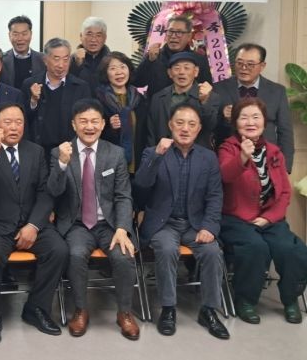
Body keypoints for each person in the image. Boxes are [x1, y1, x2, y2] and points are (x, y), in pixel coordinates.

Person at [0, 103, 68, 345]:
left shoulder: (35, 151)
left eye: (19, 122)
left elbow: (45, 192)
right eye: (7, 122)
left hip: (31, 223)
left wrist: (33, 225)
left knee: (59, 250)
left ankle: (36, 308)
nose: (14, 127)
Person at [134, 103, 229, 340]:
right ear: (170, 125)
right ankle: (168, 309)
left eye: (191, 124)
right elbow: (140, 188)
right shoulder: (152, 152)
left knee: (212, 251)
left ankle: (208, 310)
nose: (185, 128)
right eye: (180, 123)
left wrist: (209, 227)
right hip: (163, 223)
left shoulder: (208, 157)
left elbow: (215, 196)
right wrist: (157, 156)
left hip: (195, 224)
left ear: (199, 129)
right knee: (166, 249)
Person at [47, 99, 139, 340]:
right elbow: (53, 192)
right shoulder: (60, 152)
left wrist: (122, 228)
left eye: (94, 121)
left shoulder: (115, 153)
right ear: (74, 125)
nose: (89, 126)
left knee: (124, 255)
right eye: (83, 121)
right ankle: (80, 310)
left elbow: (123, 195)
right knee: (75, 255)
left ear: (103, 124)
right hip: (76, 224)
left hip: (109, 224)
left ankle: (125, 312)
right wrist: (62, 164)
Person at [217, 97, 307, 324]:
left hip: (269, 218)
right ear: (235, 122)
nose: (250, 122)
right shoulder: (228, 147)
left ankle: (290, 299)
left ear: (264, 122)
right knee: (255, 248)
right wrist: (243, 157)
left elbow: (284, 192)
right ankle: (245, 301)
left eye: (256, 117)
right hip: (236, 218)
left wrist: (269, 217)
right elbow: (225, 175)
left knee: (291, 249)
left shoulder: (274, 151)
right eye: (244, 117)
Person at [213, 43, 294, 172]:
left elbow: (285, 131)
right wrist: (223, 116)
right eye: (239, 63)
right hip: (230, 159)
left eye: (250, 64)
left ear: (262, 66)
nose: (244, 68)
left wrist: (285, 168)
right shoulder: (219, 89)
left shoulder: (277, 91)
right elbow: (209, 127)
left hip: (267, 160)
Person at [22, 38, 92, 160]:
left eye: (66, 59)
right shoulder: (30, 84)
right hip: (38, 152)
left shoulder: (81, 87)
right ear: (45, 60)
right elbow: (23, 119)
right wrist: (33, 100)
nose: (61, 65)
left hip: (70, 152)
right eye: (56, 59)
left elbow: (85, 120)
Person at [146, 52, 220, 150]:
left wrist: (204, 101)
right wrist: (153, 154)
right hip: (164, 153)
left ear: (196, 72)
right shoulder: (158, 98)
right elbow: (151, 132)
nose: (181, 72)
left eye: (186, 68)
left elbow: (210, 125)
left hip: (196, 154)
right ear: (169, 73)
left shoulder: (211, 96)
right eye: (177, 68)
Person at [133, 16, 212, 97]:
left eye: (179, 32)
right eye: (170, 31)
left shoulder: (199, 60)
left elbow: (207, 88)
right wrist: (149, 61)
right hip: (157, 104)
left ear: (189, 36)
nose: (173, 36)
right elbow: (137, 82)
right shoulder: (154, 57)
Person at [95, 52, 148, 173]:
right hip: (108, 163)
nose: (119, 72)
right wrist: (109, 127)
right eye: (113, 68)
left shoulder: (139, 98)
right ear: (105, 73)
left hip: (137, 162)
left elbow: (145, 131)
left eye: (123, 67)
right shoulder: (98, 99)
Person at [0, 15, 46, 88]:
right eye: (15, 34)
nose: (20, 38)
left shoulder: (43, 59)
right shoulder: (1, 59)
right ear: (9, 35)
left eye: (24, 34)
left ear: (31, 34)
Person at [69, 16, 111, 92]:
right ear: (81, 36)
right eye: (89, 34)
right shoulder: (69, 60)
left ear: (105, 38)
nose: (93, 39)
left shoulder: (112, 60)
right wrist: (77, 65)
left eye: (98, 35)